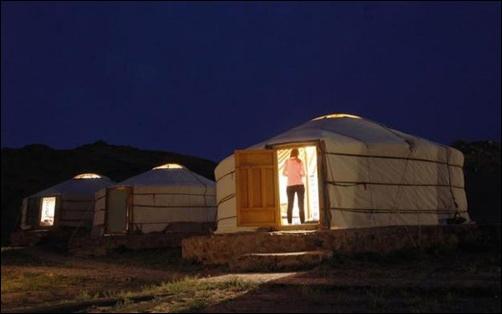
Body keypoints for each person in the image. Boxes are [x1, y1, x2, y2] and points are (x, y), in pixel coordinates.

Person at [282, 148, 305, 224]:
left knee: (290, 204)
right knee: (301, 204)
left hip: (290, 185)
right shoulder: (300, 161)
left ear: (291, 153)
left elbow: (284, 173)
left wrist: (290, 174)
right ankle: (302, 222)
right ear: (297, 154)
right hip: (299, 184)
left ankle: (289, 223)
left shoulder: (287, 161)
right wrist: (298, 174)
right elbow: (303, 173)